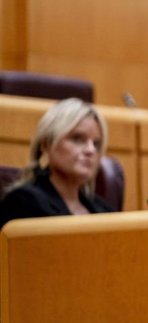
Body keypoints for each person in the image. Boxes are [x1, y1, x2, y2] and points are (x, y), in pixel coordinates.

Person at [0, 98, 113, 229]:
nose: (90, 150)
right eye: (78, 139)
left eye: (96, 144)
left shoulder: (105, 211)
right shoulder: (23, 203)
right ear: (46, 144)